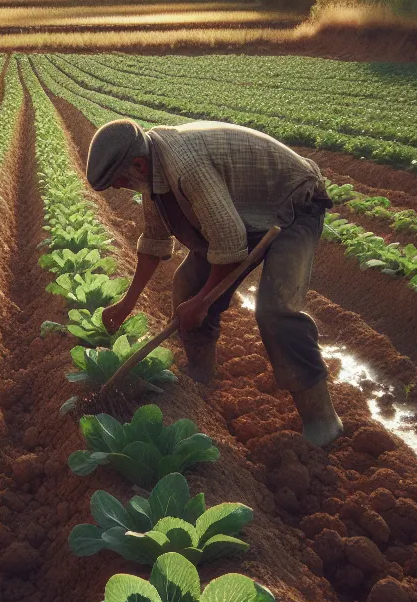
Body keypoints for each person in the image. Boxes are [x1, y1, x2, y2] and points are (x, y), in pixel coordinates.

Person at [85, 117, 343, 447]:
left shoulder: (186, 167)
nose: (122, 188)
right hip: (245, 212)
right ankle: (201, 373)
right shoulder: (152, 168)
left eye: (120, 181)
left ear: (136, 163)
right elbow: (154, 242)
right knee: (186, 288)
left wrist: (204, 303)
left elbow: (230, 245)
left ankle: (322, 419)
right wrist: (127, 303)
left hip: (293, 203)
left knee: (276, 310)